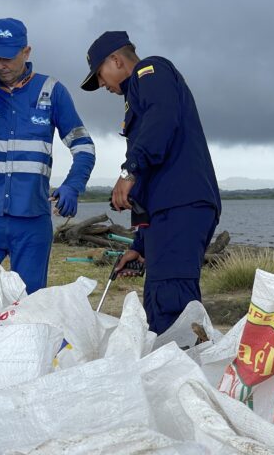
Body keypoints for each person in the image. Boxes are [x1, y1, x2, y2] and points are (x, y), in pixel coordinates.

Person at [81, 31, 221, 334]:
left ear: (117, 60)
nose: (102, 85)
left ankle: (178, 374)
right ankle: (169, 369)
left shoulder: (152, 72)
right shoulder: (136, 97)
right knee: (160, 300)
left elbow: (162, 120)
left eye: (100, 76)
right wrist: (140, 245)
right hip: (166, 210)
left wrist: (128, 171)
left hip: (182, 203)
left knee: (171, 300)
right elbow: (151, 173)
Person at [0, 18, 95, 308]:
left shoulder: (53, 91)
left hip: (32, 221)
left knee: (28, 307)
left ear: (26, 51)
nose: (1, 65)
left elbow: (84, 147)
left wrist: (73, 185)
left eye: (8, 57)